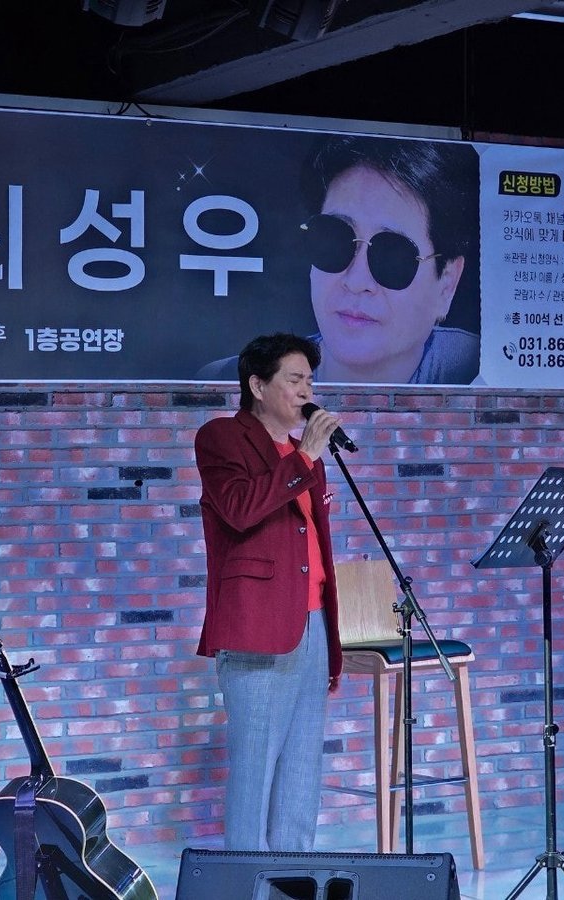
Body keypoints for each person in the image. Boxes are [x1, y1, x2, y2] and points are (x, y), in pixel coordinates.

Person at [194, 332, 344, 852]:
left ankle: (293, 878)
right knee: (255, 767)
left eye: (310, 382)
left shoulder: (306, 455)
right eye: (294, 379)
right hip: (258, 624)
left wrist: (305, 458)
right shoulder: (221, 437)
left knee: (303, 767)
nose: (306, 392)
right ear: (257, 385)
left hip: (313, 621)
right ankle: (245, 879)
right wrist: (304, 458)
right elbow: (239, 510)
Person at [198, 134, 480, 385]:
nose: (356, 281)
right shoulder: (230, 380)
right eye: (336, 239)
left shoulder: (476, 365)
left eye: (393, 256)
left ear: (447, 284)